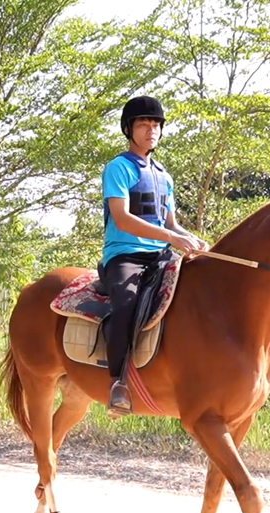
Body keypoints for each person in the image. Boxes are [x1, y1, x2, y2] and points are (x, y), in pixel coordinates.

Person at [102, 95, 208, 413]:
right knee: (125, 305)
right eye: (143, 124)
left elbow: (171, 222)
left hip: (161, 255)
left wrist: (194, 240)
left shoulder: (164, 176)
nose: (151, 130)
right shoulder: (118, 168)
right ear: (128, 129)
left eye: (156, 124)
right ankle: (116, 382)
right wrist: (171, 237)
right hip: (126, 256)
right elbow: (121, 218)